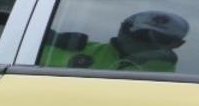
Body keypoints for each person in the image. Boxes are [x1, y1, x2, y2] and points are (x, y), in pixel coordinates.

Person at [39, 11, 190, 73]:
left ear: (176, 45)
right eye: (137, 32)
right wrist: (48, 38)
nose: (142, 41)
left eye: (157, 38)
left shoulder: (172, 81)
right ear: (122, 29)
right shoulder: (77, 48)